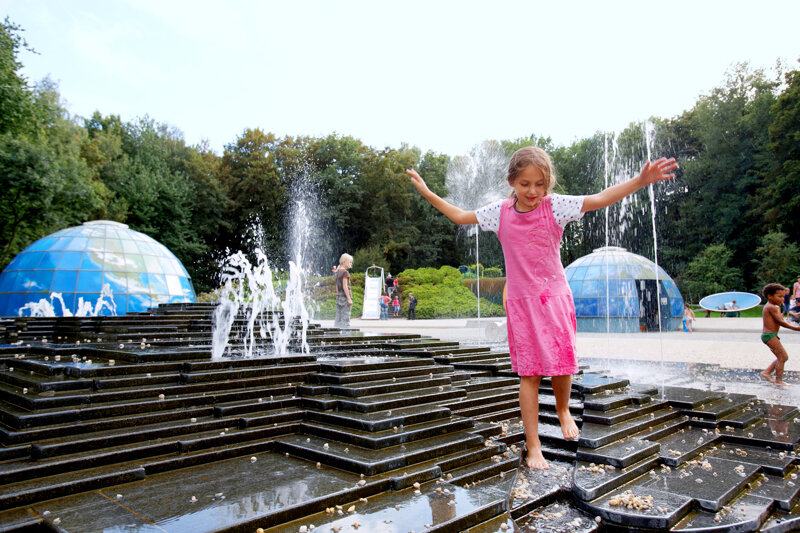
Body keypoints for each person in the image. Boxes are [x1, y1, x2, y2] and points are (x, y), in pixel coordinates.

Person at [407, 147, 677, 469]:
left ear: (548, 184)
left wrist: (640, 181)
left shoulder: (555, 207)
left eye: (540, 184)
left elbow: (599, 199)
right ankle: (533, 444)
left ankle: (563, 410)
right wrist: (427, 192)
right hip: (522, 304)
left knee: (562, 365)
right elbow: (460, 216)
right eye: (525, 184)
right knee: (530, 374)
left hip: (555, 297)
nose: (533, 191)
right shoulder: (500, 212)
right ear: (511, 181)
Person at [760, 283, 800, 386]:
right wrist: (796, 328)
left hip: (770, 335)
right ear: (770, 296)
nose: (782, 299)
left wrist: (793, 314)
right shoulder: (772, 307)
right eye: (779, 296)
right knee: (782, 357)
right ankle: (779, 381)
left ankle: (767, 372)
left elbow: (780, 319)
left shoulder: (774, 306)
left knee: (783, 357)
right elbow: (780, 322)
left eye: (783, 297)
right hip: (769, 335)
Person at [334, 253, 353, 328]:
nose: (351, 264)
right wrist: (349, 298)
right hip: (344, 298)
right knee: (345, 317)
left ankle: (336, 331)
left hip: (339, 296)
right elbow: (345, 286)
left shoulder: (338, 271)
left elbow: (337, 285)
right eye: (350, 262)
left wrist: (338, 294)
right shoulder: (345, 272)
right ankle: (345, 332)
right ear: (344, 262)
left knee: (338, 317)